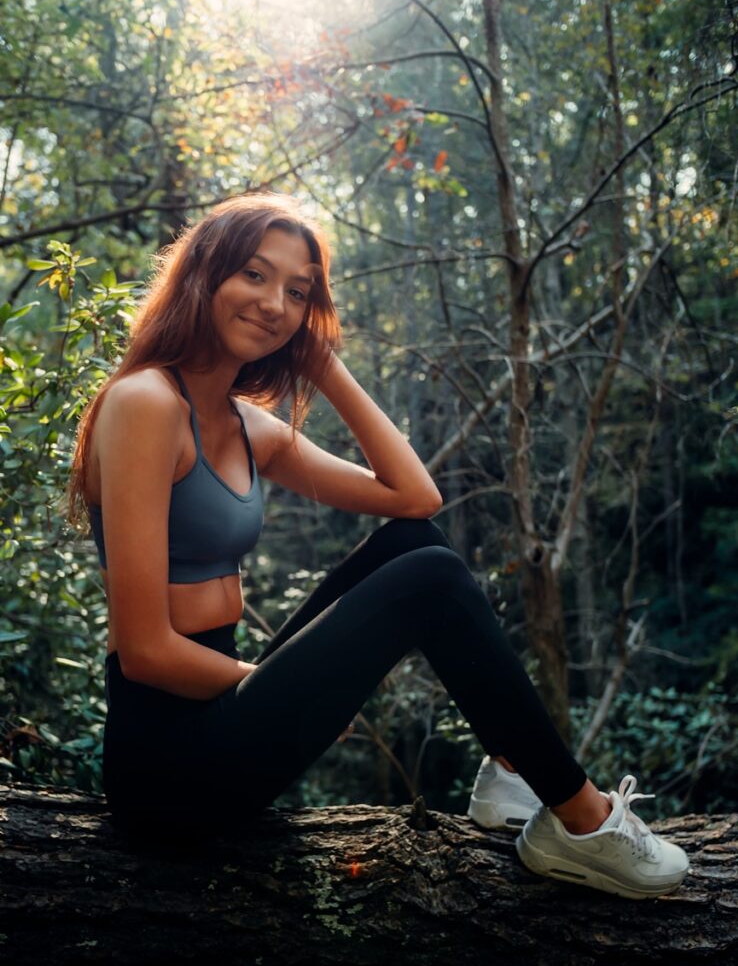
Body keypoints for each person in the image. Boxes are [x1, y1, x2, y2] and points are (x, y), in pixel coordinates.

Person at [67, 191, 689, 899]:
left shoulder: (244, 425)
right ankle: (582, 820)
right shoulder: (146, 402)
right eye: (254, 274)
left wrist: (324, 365)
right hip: (168, 772)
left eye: (296, 292)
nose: (274, 303)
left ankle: (513, 774)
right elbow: (144, 650)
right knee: (427, 579)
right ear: (204, 274)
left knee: (413, 546)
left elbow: (414, 498)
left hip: (221, 723)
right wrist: (289, 688)